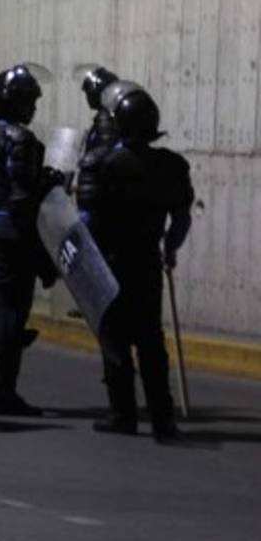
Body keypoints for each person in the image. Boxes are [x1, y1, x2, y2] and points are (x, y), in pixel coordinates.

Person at [77, 82, 193, 443]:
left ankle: (123, 414)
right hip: (146, 260)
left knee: (113, 339)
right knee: (150, 341)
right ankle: (163, 420)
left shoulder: (98, 163)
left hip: (110, 262)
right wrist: (170, 247)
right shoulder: (172, 165)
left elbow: (87, 221)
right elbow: (182, 217)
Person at [0, 64, 62, 416]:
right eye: (28, 101)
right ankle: (2, 391)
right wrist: (49, 184)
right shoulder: (19, 139)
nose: (32, 108)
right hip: (10, 232)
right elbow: (22, 198)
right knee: (11, 313)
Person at [80, 66, 120, 153]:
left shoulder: (106, 119)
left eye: (90, 92)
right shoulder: (111, 116)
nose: (88, 97)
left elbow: (103, 151)